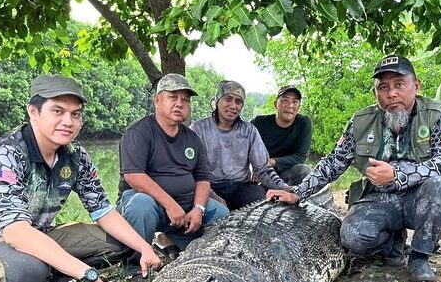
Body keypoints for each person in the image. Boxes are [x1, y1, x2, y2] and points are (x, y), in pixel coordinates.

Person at [0, 74, 162, 282]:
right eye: (58, 111)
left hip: (42, 232)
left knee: (122, 243)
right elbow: (16, 233)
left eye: (75, 114)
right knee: (27, 270)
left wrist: (144, 247)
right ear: (33, 111)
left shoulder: (75, 154)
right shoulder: (5, 156)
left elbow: (103, 210)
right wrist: (87, 275)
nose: (68, 122)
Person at [266, 55, 441, 282]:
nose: (391, 94)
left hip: (421, 197)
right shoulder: (361, 121)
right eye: (383, 87)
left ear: (416, 86)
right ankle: (392, 244)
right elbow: (334, 162)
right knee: (352, 237)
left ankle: (420, 255)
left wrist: (399, 175)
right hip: (380, 198)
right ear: (375, 93)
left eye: (399, 85)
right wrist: (298, 192)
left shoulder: (440, 113)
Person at [117, 73, 229, 257]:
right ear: (157, 100)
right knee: (141, 205)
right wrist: (170, 205)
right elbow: (134, 176)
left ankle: (191, 250)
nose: (179, 103)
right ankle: (136, 262)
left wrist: (198, 209)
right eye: (172, 97)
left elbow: (202, 178)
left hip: (185, 205)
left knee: (221, 213)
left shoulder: (192, 137)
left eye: (185, 100)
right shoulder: (139, 132)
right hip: (149, 204)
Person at [191, 80, 291, 210]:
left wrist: (286, 188)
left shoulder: (249, 130)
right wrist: (213, 196)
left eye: (238, 101)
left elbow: (263, 169)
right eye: (228, 99)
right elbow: (192, 171)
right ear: (217, 101)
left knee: (266, 209)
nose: (233, 106)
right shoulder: (198, 129)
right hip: (209, 186)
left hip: (242, 185)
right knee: (216, 213)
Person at [251, 85, 312, 185]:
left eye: (295, 102)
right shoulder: (258, 123)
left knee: (304, 171)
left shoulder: (303, 122)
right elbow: (240, 148)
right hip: (262, 174)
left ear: (298, 107)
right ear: (276, 104)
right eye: (285, 100)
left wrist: (270, 162)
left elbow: (300, 157)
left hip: (287, 174)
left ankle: (289, 198)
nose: (290, 105)